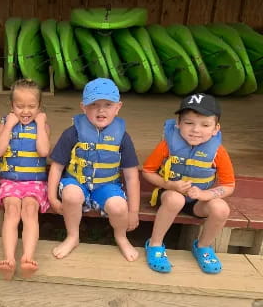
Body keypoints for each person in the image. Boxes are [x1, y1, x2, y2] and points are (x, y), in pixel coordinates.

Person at [47, 78, 140, 261]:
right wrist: (51, 197)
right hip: (76, 181)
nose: (101, 110)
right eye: (94, 104)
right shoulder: (72, 133)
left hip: (106, 185)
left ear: (118, 107)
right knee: (71, 195)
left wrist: (134, 211)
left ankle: (121, 237)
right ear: (83, 107)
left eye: (108, 104)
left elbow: (131, 177)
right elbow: (57, 167)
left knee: (119, 206)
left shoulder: (122, 137)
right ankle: (73, 236)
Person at [143, 93, 234, 274]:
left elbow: (229, 185)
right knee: (175, 199)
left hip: (198, 202)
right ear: (178, 123)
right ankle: (155, 244)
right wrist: (170, 185)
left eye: (205, 125)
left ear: (216, 129)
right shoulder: (167, 145)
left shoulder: (217, 151)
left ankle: (203, 247)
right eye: (189, 123)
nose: (195, 130)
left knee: (221, 209)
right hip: (170, 195)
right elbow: (147, 171)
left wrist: (206, 195)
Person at [0, 79, 50, 280]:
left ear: (39, 107)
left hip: (34, 182)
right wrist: (8, 126)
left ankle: (27, 258)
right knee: (13, 209)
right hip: (10, 181)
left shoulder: (42, 126)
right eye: (19, 106)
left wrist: (41, 125)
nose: (25, 111)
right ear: (11, 106)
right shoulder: (5, 124)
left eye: (31, 106)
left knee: (30, 210)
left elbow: (44, 151)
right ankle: (9, 259)